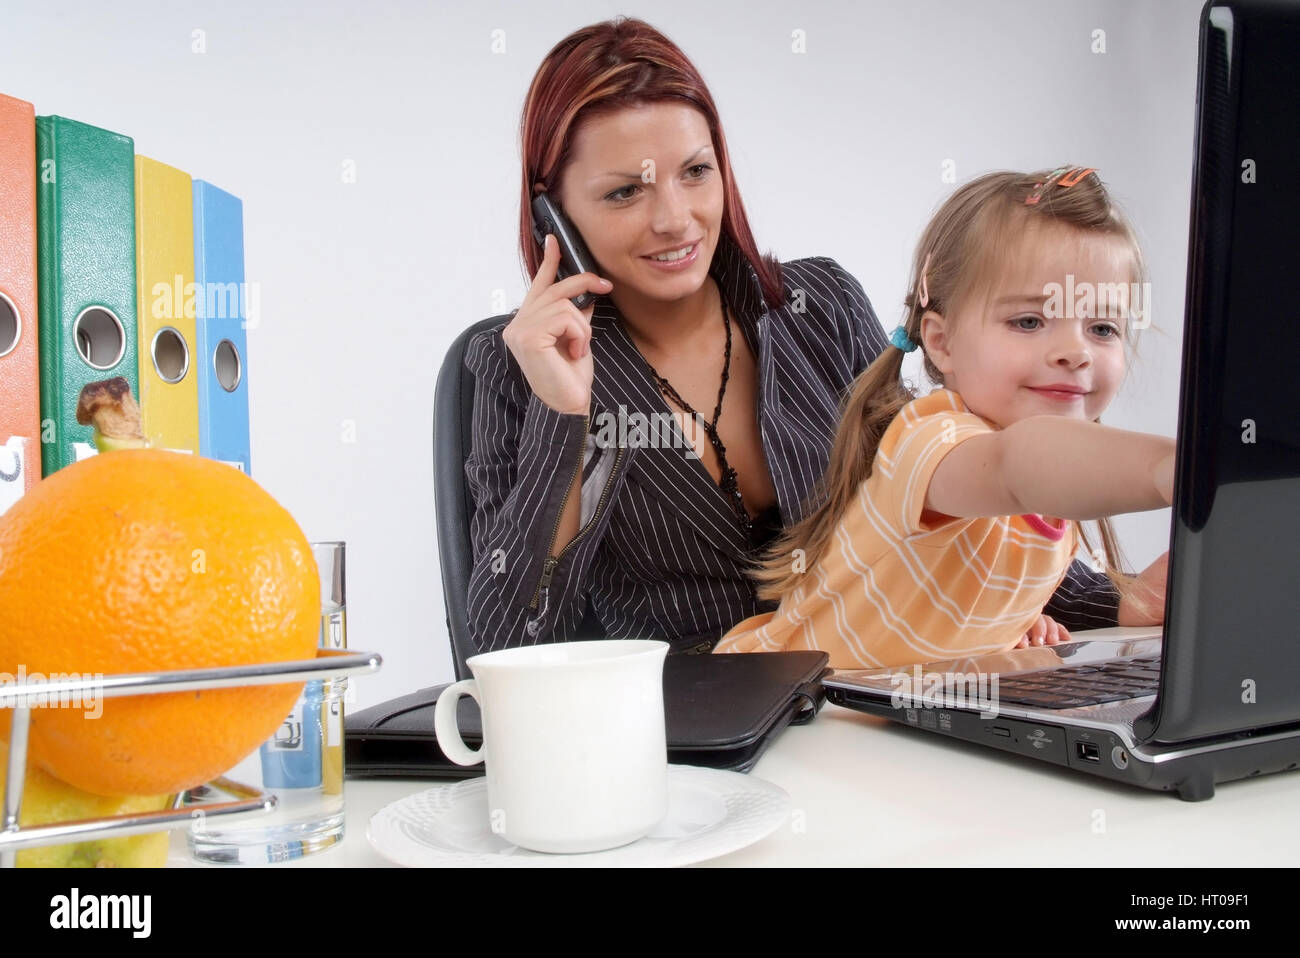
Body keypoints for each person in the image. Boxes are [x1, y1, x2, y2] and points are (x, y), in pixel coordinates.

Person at [462, 18, 1153, 656]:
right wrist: (565, 418)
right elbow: (498, 649)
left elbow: (932, 499)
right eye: (625, 193)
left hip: (868, 706)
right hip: (691, 742)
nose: (676, 219)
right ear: (551, 210)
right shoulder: (511, 367)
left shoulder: (816, 305)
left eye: (696, 173)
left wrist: (1119, 604)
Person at [715, 166, 1174, 669]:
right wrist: (1171, 467)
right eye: (1029, 321)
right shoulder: (932, 438)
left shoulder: (1056, 485)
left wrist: (1018, 619)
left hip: (888, 719)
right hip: (777, 702)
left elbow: (962, 589)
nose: (1075, 351)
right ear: (941, 342)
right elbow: (1013, 467)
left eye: (1103, 327)